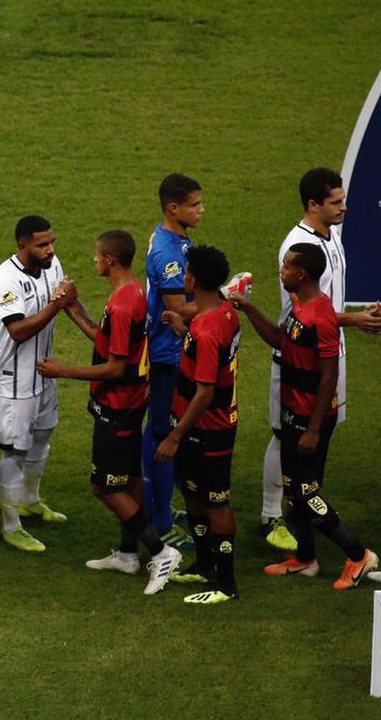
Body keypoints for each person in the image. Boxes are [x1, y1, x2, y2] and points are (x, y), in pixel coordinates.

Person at [37, 231, 181, 596]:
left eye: (97, 255)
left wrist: (63, 370)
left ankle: (161, 552)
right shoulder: (134, 295)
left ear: (110, 260)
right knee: (131, 479)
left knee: (103, 486)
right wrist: (74, 307)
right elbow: (109, 345)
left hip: (118, 407)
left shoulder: (121, 305)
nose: (94, 260)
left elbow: (115, 368)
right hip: (132, 404)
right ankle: (128, 554)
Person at [232, 243, 377, 590]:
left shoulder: (321, 317)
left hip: (311, 419)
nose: (280, 272)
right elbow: (280, 341)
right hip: (293, 414)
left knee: (306, 492)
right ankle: (305, 558)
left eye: (285, 267)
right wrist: (248, 308)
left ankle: (358, 555)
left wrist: (312, 428)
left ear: (303, 274)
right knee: (294, 492)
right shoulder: (300, 306)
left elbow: (328, 377)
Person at [257, 168, 381, 551]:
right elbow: (300, 314)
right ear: (314, 204)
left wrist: (358, 312)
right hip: (298, 359)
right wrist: (355, 320)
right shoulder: (295, 249)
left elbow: (329, 303)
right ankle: (271, 515)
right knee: (286, 436)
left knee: (320, 434)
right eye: (336, 202)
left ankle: (310, 506)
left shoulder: (332, 235)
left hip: (331, 353)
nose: (344, 207)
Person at [0, 215, 92, 553]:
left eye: (52, 243)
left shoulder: (52, 265)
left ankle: (30, 500)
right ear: (22, 245)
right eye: (42, 245)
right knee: (15, 451)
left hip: (44, 371)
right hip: (13, 379)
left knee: (44, 434)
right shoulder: (7, 280)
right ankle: (10, 525)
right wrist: (56, 304)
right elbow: (17, 331)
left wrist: (97, 333)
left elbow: (69, 302)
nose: (50, 250)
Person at [153, 245, 241, 604]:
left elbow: (205, 391)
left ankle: (226, 584)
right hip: (197, 426)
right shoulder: (224, 312)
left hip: (208, 428)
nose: (183, 275)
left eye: (186, 271)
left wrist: (174, 436)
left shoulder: (205, 329)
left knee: (216, 503)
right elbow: (208, 362)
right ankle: (205, 564)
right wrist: (181, 330)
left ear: (194, 279)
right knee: (193, 493)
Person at [142, 174, 205, 548]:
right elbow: (179, 310)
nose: (201, 210)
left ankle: (158, 504)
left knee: (158, 429)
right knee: (162, 434)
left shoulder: (174, 239)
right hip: (167, 355)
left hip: (169, 351)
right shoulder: (167, 252)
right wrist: (224, 297)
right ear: (173, 208)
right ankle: (161, 520)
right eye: (195, 204)